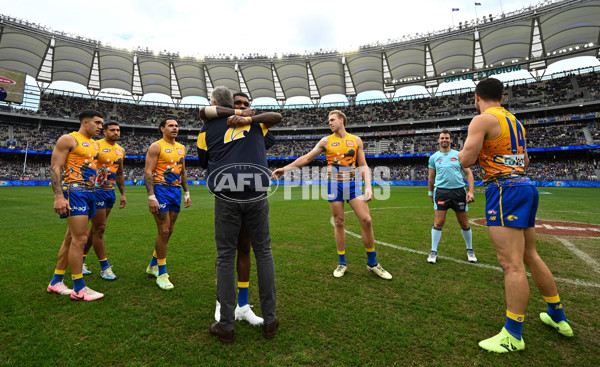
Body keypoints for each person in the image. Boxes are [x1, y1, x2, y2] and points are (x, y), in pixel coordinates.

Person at [458, 77, 573, 353]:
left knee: (511, 263)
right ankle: (557, 315)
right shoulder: (514, 121)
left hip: (504, 190)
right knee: (529, 255)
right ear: (501, 95)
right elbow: (526, 160)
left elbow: (466, 159)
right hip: (525, 186)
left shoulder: (482, 120)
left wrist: (453, 156)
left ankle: (513, 334)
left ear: (477, 97)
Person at [197, 86, 281, 344]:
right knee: (263, 252)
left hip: (227, 193)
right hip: (256, 191)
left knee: (225, 255)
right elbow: (275, 117)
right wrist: (248, 119)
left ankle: (226, 325)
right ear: (231, 103)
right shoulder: (258, 125)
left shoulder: (206, 129)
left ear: (214, 102)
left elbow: (203, 161)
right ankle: (270, 320)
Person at [272, 110, 392, 280]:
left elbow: (363, 165)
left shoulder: (356, 140)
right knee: (339, 222)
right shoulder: (325, 141)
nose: (330, 123)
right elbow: (306, 158)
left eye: (332, 120)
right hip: (333, 185)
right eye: (329, 120)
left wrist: (369, 187)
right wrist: (285, 169)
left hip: (352, 184)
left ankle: (372, 263)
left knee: (366, 220)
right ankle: (342, 263)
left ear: (342, 120)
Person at [46, 110, 105, 301]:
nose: (100, 127)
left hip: (90, 193)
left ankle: (56, 282)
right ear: (85, 122)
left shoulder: (95, 145)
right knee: (79, 240)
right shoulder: (69, 139)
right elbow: (56, 168)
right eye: (97, 123)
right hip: (74, 193)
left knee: (71, 238)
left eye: (102, 124)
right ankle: (79, 288)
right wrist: (58, 197)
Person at [144, 117, 191, 291]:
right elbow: (148, 171)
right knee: (163, 230)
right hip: (160, 190)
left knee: (169, 231)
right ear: (162, 128)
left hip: (175, 191)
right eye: (171, 125)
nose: (175, 128)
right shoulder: (156, 146)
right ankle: (162, 274)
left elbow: (183, 171)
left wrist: (186, 192)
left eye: (177, 125)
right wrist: (151, 196)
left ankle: (152, 265)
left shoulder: (181, 148)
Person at [80, 121, 127, 279]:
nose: (116, 132)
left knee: (95, 229)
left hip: (109, 193)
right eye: (112, 130)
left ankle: (80, 260)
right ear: (104, 132)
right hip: (96, 191)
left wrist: (123, 194)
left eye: (118, 130)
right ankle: (105, 267)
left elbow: (119, 173)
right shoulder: (95, 145)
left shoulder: (121, 150)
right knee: (99, 229)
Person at [427, 129, 477, 264]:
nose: (444, 140)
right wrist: (430, 193)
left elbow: (469, 174)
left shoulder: (459, 155)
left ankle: (470, 250)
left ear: (451, 140)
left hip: (459, 192)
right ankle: (433, 252)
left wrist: (471, 191)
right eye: (442, 138)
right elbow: (431, 177)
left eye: (447, 138)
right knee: (438, 223)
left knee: (464, 223)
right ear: (438, 140)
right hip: (441, 192)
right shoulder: (434, 158)